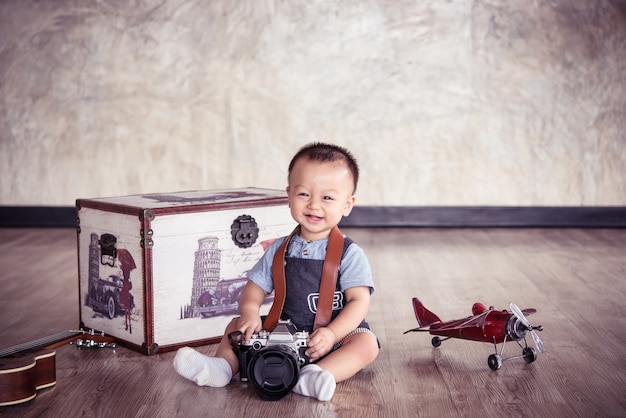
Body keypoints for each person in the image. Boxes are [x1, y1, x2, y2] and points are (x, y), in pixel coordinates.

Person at [173, 142, 379, 401]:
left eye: (327, 197)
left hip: (331, 337)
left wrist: (332, 333)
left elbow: (359, 301)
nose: (314, 205)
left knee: (366, 344)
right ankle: (222, 367)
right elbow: (254, 288)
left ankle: (316, 374)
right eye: (304, 194)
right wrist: (249, 313)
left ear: (347, 205)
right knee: (234, 327)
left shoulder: (350, 253)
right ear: (289, 195)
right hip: (283, 331)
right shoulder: (279, 249)